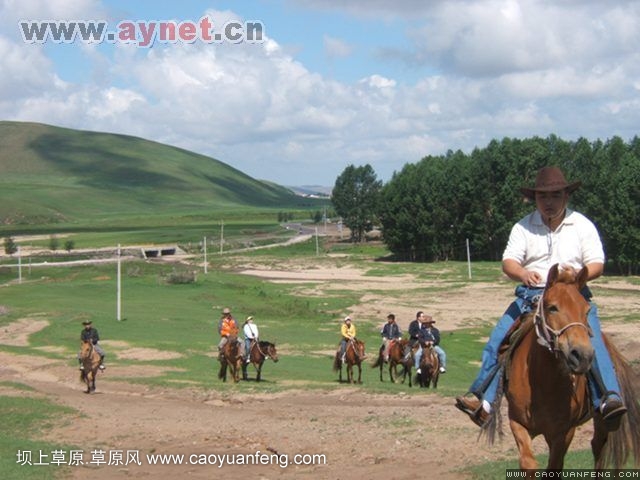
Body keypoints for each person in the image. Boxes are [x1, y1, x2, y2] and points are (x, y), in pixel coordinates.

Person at [455, 166, 627, 430]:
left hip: (572, 297)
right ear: (534, 199)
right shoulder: (523, 227)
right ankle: (482, 400)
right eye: (542, 197)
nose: (548, 202)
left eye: (555, 196)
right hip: (532, 296)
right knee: (498, 339)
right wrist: (523, 273)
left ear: (566, 197)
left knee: (595, 343)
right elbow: (509, 262)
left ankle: (608, 397)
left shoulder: (582, 225)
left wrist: (577, 275)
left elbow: (597, 264)